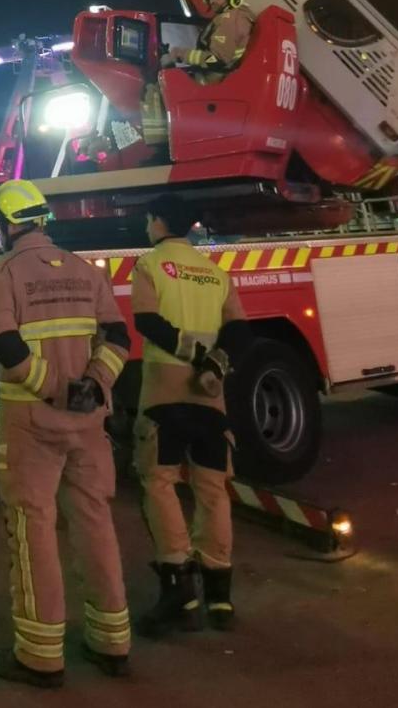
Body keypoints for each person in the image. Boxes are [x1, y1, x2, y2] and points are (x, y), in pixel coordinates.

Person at [0, 179, 132, 688]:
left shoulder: (3, 273)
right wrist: (94, 384)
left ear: (6, 223)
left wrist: (54, 389)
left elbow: (5, 343)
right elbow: (118, 337)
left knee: (33, 530)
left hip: (33, 424)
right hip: (89, 425)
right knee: (95, 522)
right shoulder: (83, 270)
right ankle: (113, 641)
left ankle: (41, 656)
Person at [131, 193, 248, 634]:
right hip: (210, 402)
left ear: (159, 221)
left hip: (164, 397)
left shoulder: (150, 265)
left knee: (160, 483)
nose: (146, 228)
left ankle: (177, 585)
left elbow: (146, 322)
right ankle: (220, 597)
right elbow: (240, 330)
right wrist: (215, 361)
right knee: (213, 489)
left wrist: (194, 354)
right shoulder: (214, 272)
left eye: (148, 220)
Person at [167, 0, 256, 80]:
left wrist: (179, 54)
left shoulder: (230, 20)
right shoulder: (238, 16)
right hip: (222, 79)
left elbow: (216, 60)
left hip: (215, 82)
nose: (212, 0)